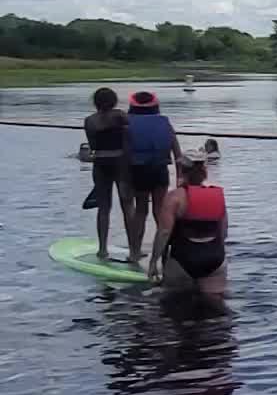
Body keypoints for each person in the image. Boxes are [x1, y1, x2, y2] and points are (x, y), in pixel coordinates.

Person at [148, 157, 226, 298]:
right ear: (204, 172)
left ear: (183, 172)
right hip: (215, 258)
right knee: (216, 307)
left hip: (183, 258)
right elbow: (223, 232)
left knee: (175, 306)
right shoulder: (217, 195)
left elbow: (164, 233)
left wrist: (153, 262)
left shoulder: (174, 197)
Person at [125, 90, 186, 261]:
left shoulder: (127, 124)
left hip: (138, 171)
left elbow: (125, 153)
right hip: (160, 170)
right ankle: (166, 252)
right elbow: (177, 153)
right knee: (160, 210)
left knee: (141, 210)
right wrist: (180, 179)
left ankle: (135, 253)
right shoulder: (165, 123)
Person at [83, 87, 134, 260]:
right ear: (113, 101)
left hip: (100, 163)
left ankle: (103, 249)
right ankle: (134, 249)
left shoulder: (89, 121)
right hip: (120, 162)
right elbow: (130, 137)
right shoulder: (120, 115)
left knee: (104, 208)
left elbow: (92, 145)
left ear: (96, 102)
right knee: (127, 206)